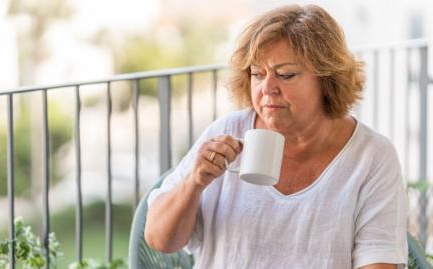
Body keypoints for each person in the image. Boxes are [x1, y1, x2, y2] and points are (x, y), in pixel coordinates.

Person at [144, 4, 408, 269]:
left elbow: (378, 263)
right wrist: (194, 182)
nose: (267, 88)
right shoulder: (226, 133)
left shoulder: (371, 157)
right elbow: (159, 239)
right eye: (257, 74)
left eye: (285, 75)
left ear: (328, 79)